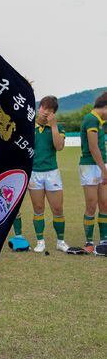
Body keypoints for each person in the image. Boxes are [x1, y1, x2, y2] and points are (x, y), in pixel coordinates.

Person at [26, 96, 69, 252]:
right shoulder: (28, 125)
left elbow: (59, 147)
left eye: (50, 110)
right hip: (34, 173)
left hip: (52, 173)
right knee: (38, 208)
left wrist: (54, 126)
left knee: (57, 209)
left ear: (54, 113)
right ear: (39, 108)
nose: (45, 112)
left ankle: (60, 241)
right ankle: (40, 241)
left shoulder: (58, 127)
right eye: (44, 108)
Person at [78, 92, 107, 255]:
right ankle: (89, 242)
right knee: (91, 204)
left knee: (105, 204)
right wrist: (104, 170)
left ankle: (104, 240)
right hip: (89, 166)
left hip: (101, 165)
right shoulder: (91, 119)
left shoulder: (99, 121)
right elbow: (93, 147)